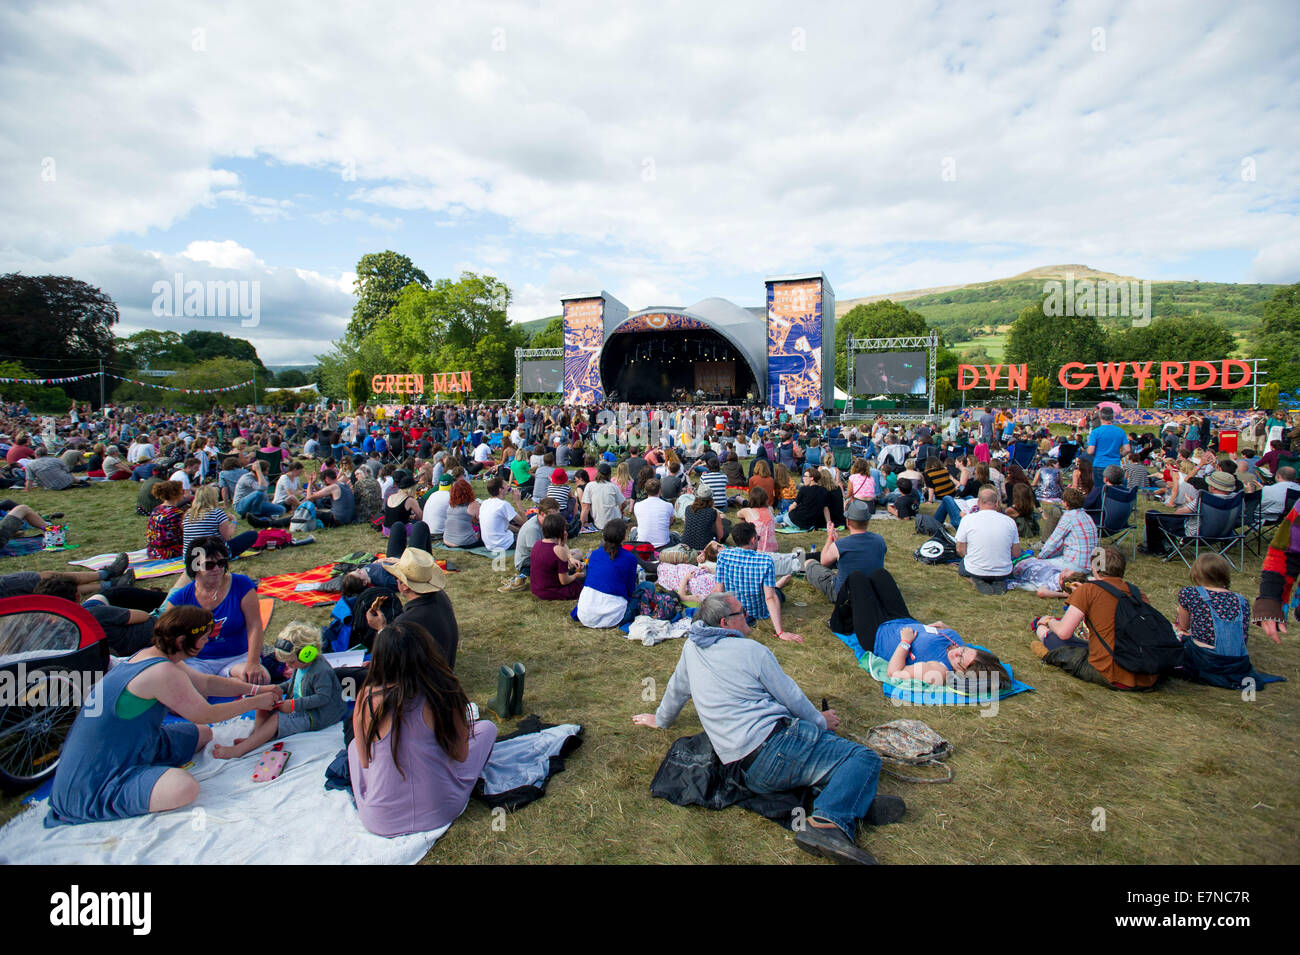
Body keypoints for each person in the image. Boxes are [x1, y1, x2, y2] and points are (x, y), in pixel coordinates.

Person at [632, 591, 903, 865]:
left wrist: (661, 719)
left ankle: (852, 801)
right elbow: (792, 698)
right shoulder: (753, 651)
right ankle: (828, 824)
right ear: (725, 624)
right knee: (862, 758)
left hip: (745, 772)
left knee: (824, 761)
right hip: (774, 749)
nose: (747, 614)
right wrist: (822, 721)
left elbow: (677, 689)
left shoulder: (691, 647)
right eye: (740, 613)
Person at [45, 605, 279, 826]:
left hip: (135, 742)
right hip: (96, 777)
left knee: (203, 735)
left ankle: (150, 766)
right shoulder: (162, 672)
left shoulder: (151, 656)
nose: (208, 641)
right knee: (184, 788)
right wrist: (257, 702)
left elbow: (206, 683)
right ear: (181, 641)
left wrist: (256, 690)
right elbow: (206, 713)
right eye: (204, 637)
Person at [349, 620, 496, 837]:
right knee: (487, 729)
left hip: (380, 820)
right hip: (441, 809)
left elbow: (364, 761)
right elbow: (461, 754)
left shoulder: (367, 697)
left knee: (354, 746)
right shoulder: (443, 691)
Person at [835, 567, 1011, 687]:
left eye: (960, 660)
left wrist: (904, 642)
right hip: (904, 621)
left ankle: (838, 623)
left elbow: (894, 672)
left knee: (857, 579)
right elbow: (949, 640)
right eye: (964, 650)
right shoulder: (957, 649)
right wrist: (943, 627)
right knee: (880, 575)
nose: (958, 652)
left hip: (878, 635)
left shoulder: (939, 670)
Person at [211, 620, 348, 759]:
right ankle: (255, 738)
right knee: (263, 704)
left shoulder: (321, 671)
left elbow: (322, 698)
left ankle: (239, 750)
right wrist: (279, 688)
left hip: (318, 715)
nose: (288, 665)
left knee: (276, 719)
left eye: (291, 662)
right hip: (301, 705)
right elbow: (294, 683)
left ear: (308, 653)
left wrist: (294, 705)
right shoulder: (301, 665)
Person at [1032, 546, 1158, 690]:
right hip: (1148, 673)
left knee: (1051, 637)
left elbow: (1063, 632)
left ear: (1095, 568)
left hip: (1114, 674)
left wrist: (1048, 621)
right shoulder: (1137, 593)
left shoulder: (1088, 590)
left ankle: (1042, 634)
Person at [161, 536, 269, 683]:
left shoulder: (241, 585)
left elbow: (255, 625)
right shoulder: (179, 599)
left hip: (237, 657)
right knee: (183, 686)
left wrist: (253, 663)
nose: (217, 569)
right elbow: (167, 639)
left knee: (259, 679)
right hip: (197, 662)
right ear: (194, 567)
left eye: (222, 563)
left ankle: (222, 685)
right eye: (209, 565)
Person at [363, 548, 462, 670]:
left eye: (397, 579)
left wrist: (381, 629)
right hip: (443, 669)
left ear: (404, 586)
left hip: (425, 682)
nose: (395, 581)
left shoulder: (407, 621)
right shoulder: (440, 595)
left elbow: (389, 662)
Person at [716, 521, 801, 642]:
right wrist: (780, 632)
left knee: (771, 589)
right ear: (752, 540)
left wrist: (719, 617)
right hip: (758, 612)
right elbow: (770, 598)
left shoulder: (723, 556)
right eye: (758, 538)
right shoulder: (765, 561)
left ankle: (778, 584)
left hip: (734, 611)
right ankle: (779, 584)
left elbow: (719, 590)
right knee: (776, 593)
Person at [805, 499, 887, 602]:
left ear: (847, 521)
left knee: (810, 563)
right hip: (872, 592)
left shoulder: (841, 545)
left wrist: (830, 538)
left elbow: (823, 561)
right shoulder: (879, 540)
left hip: (844, 595)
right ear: (867, 520)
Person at [576, 518, 649, 628]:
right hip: (613, 617)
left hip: (585, 613)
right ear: (623, 537)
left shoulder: (595, 554)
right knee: (648, 586)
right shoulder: (629, 558)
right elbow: (630, 590)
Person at [954, 487, 1021, 587]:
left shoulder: (968, 519)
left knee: (962, 566)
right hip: (1003, 572)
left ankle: (974, 580)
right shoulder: (1010, 522)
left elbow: (960, 549)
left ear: (978, 502)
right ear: (997, 503)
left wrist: (971, 558)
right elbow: (1016, 553)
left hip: (975, 570)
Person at [183, 485, 259, 559]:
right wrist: (234, 522)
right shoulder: (217, 513)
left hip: (190, 556)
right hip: (213, 554)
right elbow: (227, 537)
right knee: (252, 534)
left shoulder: (188, 515)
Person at [529, 512, 585, 602]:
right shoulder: (558, 550)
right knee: (586, 579)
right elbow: (564, 581)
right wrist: (576, 575)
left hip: (537, 588)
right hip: (551, 591)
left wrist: (571, 558)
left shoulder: (538, 543)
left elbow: (563, 546)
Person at [479, 476, 523, 553]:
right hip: (504, 544)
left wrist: (518, 530)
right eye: (505, 484)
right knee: (531, 534)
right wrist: (518, 502)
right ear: (500, 490)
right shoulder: (503, 505)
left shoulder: (484, 503)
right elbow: (524, 523)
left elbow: (500, 525)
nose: (508, 486)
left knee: (515, 526)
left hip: (490, 545)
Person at [145, 479, 186, 559]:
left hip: (152, 551)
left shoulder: (156, 509)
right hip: (168, 553)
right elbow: (187, 533)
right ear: (175, 494)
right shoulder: (176, 513)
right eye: (182, 491)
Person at [631, 476, 677, 549]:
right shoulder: (668, 505)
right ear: (660, 490)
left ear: (646, 490)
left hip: (642, 545)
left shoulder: (637, 505)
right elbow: (670, 522)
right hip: (663, 545)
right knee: (675, 534)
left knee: (633, 530)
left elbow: (641, 522)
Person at [581, 462, 627, 533]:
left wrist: (582, 524)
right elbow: (624, 503)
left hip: (598, 524)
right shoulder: (613, 486)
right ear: (609, 475)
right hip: (615, 523)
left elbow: (585, 507)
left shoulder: (590, 486)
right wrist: (621, 510)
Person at [1087, 406, 1130, 471]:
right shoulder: (1120, 431)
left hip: (1099, 464)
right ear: (1112, 417)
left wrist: (1098, 456)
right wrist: (1119, 456)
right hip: (1115, 464)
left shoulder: (1095, 432)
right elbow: (1127, 449)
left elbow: (1090, 451)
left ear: (1100, 417)